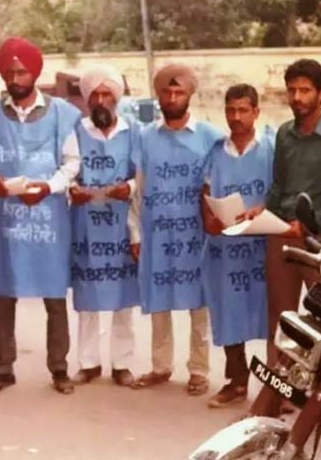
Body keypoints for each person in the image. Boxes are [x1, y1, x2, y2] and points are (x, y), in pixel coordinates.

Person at [0, 37, 81, 395]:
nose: (16, 77)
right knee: (5, 294)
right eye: (10, 71)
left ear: (35, 73)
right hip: (7, 216)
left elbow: (72, 163)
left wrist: (49, 187)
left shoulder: (62, 113)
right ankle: (3, 368)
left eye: (22, 71)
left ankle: (59, 369)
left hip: (48, 216)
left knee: (54, 297)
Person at [130, 64, 223, 396]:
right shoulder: (144, 137)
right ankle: (160, 366)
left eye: (178, 92)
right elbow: (137, 190)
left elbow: (217, 187)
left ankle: (199, 369)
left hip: (195, 236)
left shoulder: (211, 137)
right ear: (158, 96)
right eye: (166, 92)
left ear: (190, 95)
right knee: (159, 303)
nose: (172, 97)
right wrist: (135, 233)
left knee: (200, 305)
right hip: (157, 235)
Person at [264, 59, 321, 369]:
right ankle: (277, 393)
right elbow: (278, 185)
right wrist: (263, 214)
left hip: (318, 243)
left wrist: (315, 225)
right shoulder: (283, 135)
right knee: (281, 318)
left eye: (305, 90)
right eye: (292, 90)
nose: (297, 98)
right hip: (281, 239)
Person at [200, 84, 273, 407]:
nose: (236, 117)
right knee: (229, 313)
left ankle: (277, 388)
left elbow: (281, 191)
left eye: (243, 110)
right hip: (227, 250)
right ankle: (236, 380)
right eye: (231, 110)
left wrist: (262, 210)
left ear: (256, 112)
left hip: (262, 247)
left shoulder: (271, 149)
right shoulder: (216, 152)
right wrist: (209, 220)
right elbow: (204, 192)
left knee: (271, 316)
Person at [70, 64, 140, 388]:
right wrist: (74, 191)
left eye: (106, 94)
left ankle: (122, 364)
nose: (100, 100)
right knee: (88, 295)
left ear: (116, 99)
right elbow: (67, 168)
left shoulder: (133, 130)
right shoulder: (76, 130)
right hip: (86, 223)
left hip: (121, 223)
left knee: (124, 297)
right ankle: (88, 362)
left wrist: (129, 188)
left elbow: (141, 174)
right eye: (94, 95)